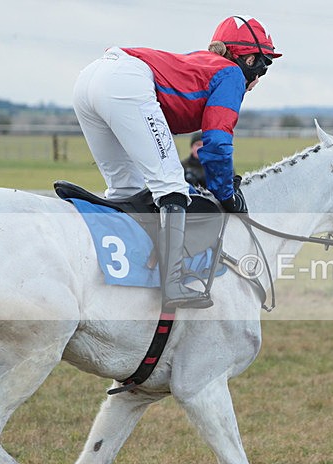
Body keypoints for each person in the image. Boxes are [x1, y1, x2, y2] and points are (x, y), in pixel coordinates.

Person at [72, 16, 281, 309]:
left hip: (89, 79)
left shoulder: (206, 64)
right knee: (171, 186)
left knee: (126, 188)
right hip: (124, 81)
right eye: (264, 65)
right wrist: (227, 194)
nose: (259, 78)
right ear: (249, 59)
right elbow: (217, 142)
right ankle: (172, 285)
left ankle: (119, 274)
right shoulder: (232, 74)